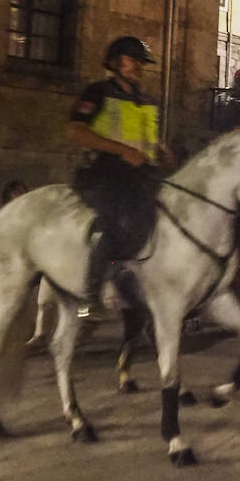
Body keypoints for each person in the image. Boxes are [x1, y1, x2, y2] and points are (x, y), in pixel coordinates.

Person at [69, 36, 167, 300]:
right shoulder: (98, 92)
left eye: (140, 62)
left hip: (142, 174)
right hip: (105, 173)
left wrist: (159, 150)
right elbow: (77, 132)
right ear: (114, 62)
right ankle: (93, 286)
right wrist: (123, 151)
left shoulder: (146, 100)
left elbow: (147, 139)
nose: (138, 67)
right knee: (117, 223)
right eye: (131, 60)